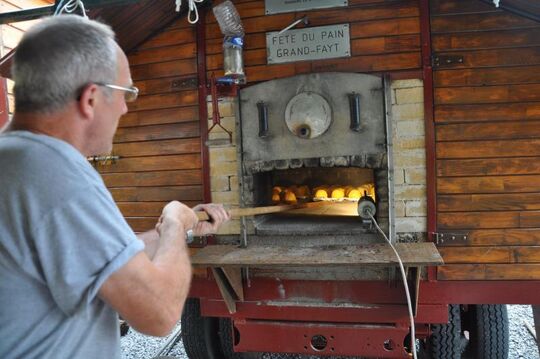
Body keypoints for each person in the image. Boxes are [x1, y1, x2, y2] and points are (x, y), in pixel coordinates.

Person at [0, 15, 230, 358]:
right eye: (127, 92)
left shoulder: (15, 159)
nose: (124, 107)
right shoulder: (57, 175)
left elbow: (96, 254)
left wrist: (184, 228)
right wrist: (172, 223)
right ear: (90, 98)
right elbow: (159, 313)